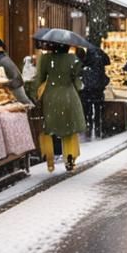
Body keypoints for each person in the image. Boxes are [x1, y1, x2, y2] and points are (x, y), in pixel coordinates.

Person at [36, 41, 86, 172]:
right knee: (70, 129)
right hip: (69, 95)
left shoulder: (46, 59)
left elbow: (40, 78)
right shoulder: (73, 59)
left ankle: (50, 159)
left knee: (49, 128)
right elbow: (78, 82)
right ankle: (70, 157)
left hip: (51, 96)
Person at [0, 36, 32, 106]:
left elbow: (17, 77)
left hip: (14, 88)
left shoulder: (4, 60)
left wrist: (3, 85)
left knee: (25, 103)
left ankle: (33, 113)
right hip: (9, 87)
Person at [80, 45, 112, 140]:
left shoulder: (86, 58)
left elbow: (81, 69)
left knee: (87, 111)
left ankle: (88, 130)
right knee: (98, 111)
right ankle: (98, 131)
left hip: (87, 90)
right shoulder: (100, 58)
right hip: (98, 89)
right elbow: (108, 61)